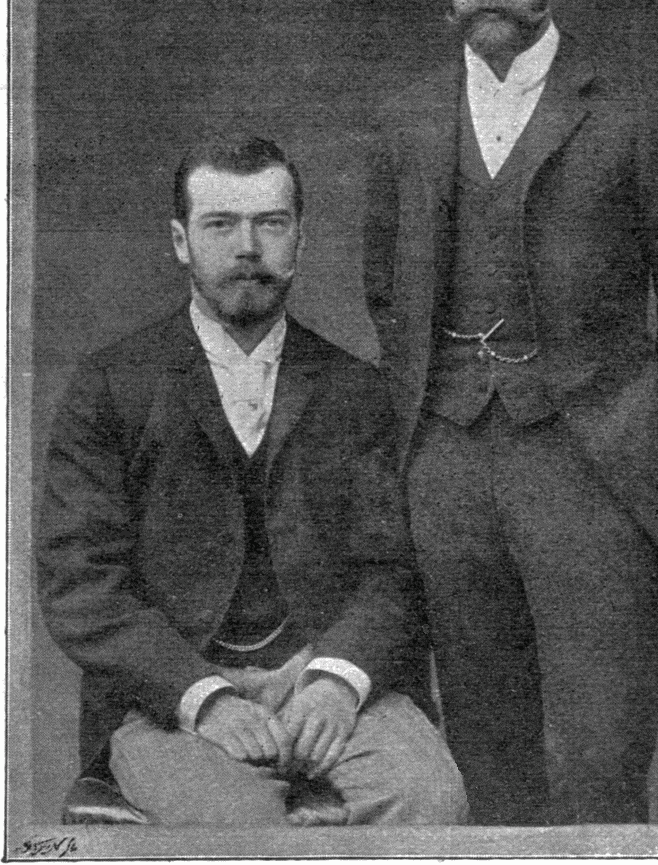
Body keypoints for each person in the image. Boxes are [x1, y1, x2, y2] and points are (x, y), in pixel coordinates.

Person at [363, 0, 658, 826]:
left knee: (600, 772)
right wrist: (435, 436)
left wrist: (629, 432)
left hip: (595, 478)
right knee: (485, 770)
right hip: (447, 477)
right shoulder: (407, 121)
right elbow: (389, 298)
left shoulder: (639, 116)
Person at [38, 133, 467, 828]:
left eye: (270, 223)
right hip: (169, 695)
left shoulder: (357, 391)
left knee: (428, 800)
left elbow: (396, 571)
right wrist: (203, 698)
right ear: (180, 241)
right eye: (220, 225)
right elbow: (80, 583)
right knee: (238, 828)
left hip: (324, 680)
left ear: (300, 238)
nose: (248, 248)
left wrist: (337, 680)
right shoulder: (111, 386)